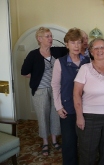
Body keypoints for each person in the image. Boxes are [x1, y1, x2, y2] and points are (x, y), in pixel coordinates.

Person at [21, 27, 67, 156]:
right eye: (47, 36)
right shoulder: (33, 54)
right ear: (39, 39)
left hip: (56, 89)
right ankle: (45, 142)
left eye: (51, 36)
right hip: (40, 90)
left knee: (55, 115)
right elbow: (24, 72)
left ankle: (54, 141)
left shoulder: (57, 51)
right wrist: (36, 76)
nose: (50, 38)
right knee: (42, 116)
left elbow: (71, 50)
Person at [74, 38, 104, 165]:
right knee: (87, 152)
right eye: (96, 48)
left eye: (102, 47)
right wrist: (79, 116)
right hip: (89, 117)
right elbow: (76, 94)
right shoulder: (85, 69)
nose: (100, 50)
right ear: (91, 51)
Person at [51, 28, 90, 165]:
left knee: (86, 141)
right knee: (69, 142)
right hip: (67, 107)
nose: (76, 46)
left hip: (86, 107)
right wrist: (58, 107)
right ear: (66, 44)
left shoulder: (87, 61)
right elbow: (55, 86)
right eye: (73, 42)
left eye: (79, 42)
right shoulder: (59, 62)